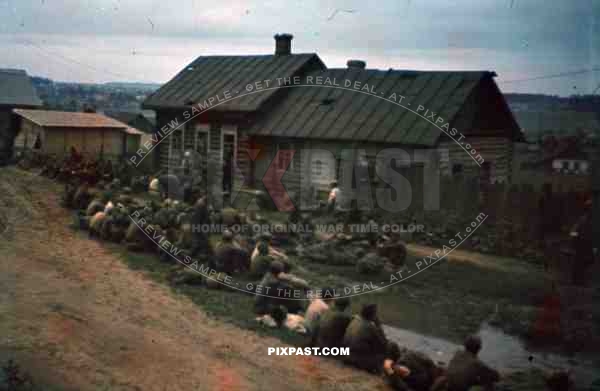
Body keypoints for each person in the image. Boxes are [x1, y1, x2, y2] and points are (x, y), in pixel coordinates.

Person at [342, 304, 389, 373]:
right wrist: (378, 325)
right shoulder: (370, 327)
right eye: (375, 313)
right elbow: (384, 345)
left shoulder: (355, 321)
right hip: (357, 361)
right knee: (387, 351)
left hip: (345, 356)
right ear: (372, 315)